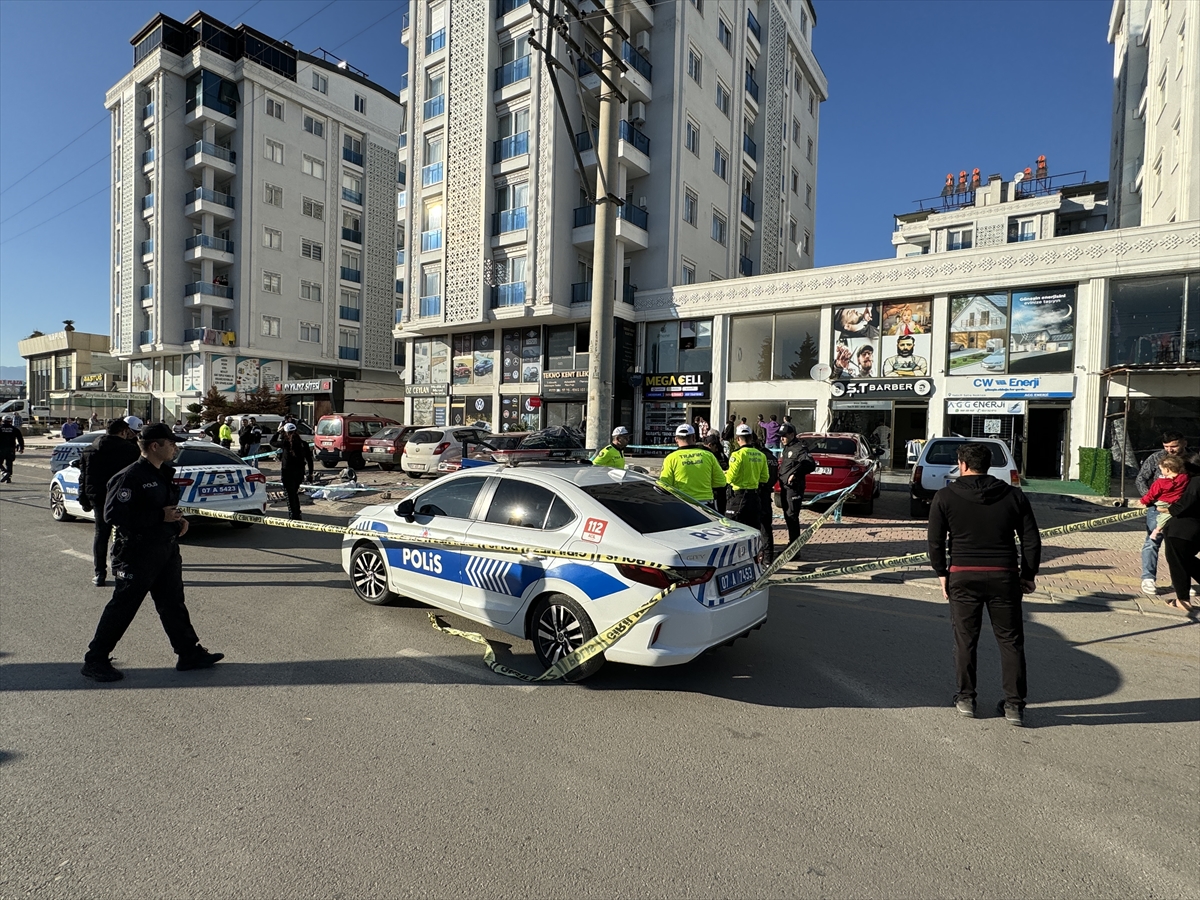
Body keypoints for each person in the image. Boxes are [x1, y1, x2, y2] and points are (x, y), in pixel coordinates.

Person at [80, 423, 224, 682]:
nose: (175, 448)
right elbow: (113, 514)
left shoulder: (162, 473)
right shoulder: (130, 476)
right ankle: (96, 659)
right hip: (136, 552)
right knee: (123, 606)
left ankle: (188, 653)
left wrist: (177, 520)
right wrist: (160, 516)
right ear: (155, 446)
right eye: (171, 444)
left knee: (172, 603)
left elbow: (164, 507)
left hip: (164, 549)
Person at [928, 442, 1041, 726]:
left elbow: (935, 542)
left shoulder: (944, 496)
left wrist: (943, 573)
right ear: (988, 465)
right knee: (1010, 640)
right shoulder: (1013, 496)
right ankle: (1014, 704)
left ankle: (966, 697)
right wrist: (1028, 574)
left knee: (965, 639)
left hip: (963, 573)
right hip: (1003, 573)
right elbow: (1031, 539)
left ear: (962, 464)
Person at [77, 418, 140, 586]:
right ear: (123, 432)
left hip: (99, 498)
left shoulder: (90, 450)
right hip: (124, 497)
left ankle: (100, 573)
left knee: (101, 535)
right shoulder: (130, 450)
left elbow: (83, 477)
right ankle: (125, 570)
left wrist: (83, 498)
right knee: (126, 534)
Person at [1136, 432, 1188, 597]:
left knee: (1180, 545)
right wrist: (1150, 499)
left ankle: (1180, 581)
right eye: (1166, 447)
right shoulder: (1157, 458)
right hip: (1158, 508)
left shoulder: (1193, 459)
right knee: (1152, 540)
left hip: (1184, 509)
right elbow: (1141, 479)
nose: (1170, 450)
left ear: (1184, 443)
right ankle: (1148, 578)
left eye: (1174, 446)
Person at [1159, 452, 1200, 611]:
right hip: (1193, 530)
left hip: (1182, 530)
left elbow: (1184, 504)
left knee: (1178, 563)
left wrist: (1168, 509)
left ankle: (1182, 600)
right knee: (1188, 561)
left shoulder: (1194, 482)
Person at [658, 423, 726, 509]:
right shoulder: (708, 455)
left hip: (684, 505)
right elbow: (721, 482)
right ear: (694, 437)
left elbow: (664, 486)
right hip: (706, 505)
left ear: (676, 439)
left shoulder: (671, 458)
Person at [724, 424, 769, 531]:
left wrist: (724, 473)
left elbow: (730, 478)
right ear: (751, 438)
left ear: (738, 438)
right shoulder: (760, 455)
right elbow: (764, 478)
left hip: (738, 497)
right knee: (753, 530)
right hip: (754, 498)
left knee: (732, 530)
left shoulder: (737, 455)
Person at [777, 424, 816, 547]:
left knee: (792, 517)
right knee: (788, 516)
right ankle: (792, 544)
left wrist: (795, 474)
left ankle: (794, 547)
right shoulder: (787, 447)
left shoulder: (799, 448)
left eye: (784, 436)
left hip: (793, 489)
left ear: (791, 435)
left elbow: (810, 464)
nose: (782, 439)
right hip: (785, 488)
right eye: (780, 436)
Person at [278, 422, 314, 520]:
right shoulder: (304, 444)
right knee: (294, 493)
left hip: (287, 473)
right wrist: (310, 473)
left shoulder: (285, 444)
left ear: (285, 432)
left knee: (290, 495)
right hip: (299, 473)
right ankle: (297, 513)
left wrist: (278, 432)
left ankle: (293, 515)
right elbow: (310, 460)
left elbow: (272, 442)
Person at [753, 432, 780, 562]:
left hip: (755, 494)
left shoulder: (755, 456)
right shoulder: (770, 456)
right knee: (766, 528)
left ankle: (758, 557)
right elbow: (774, 477)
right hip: (766, 495)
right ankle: (768, 558)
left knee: (754, 528)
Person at [698, 432, 729, 514]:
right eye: (716, 447)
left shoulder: (700, 453)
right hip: (713, 491)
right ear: (710, 445)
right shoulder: (709, 455)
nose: (717, 449)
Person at [0, 414, 25, 483]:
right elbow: (20, 439)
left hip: (1, 449)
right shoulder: (15, 429)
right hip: (11, 449)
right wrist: (21, 447)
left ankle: (4, 472)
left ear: (2, 421)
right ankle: (8, 477)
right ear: (11, 421)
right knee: (9, 463)